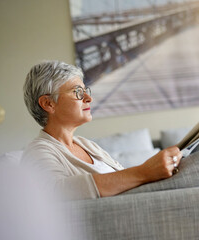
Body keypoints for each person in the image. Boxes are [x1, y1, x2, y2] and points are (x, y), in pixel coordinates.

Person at [22, 60, 182, 200]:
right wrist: (144, 172)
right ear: (48, 104)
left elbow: (124, 178)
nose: (88, 98)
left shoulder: (85, 144)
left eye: (85, 90)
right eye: (77, 91)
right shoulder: (38, 151)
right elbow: (57, 193)